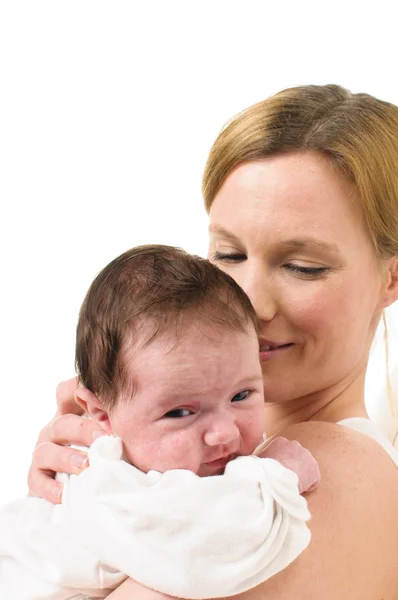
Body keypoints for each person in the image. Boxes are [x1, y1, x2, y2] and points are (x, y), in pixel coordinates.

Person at [28, 84, 398, 600]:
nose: (248, 304)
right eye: (228, 255)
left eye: (302, 267)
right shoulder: (209, 471)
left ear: (391, 279)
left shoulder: (324, 473)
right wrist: (88, 495)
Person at [0, 245, 320, 600]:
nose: (225, 432)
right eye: (181, 413)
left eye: (241, 396)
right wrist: (277, 476)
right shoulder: (104, 481)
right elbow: (207, 551)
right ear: (102, 415)